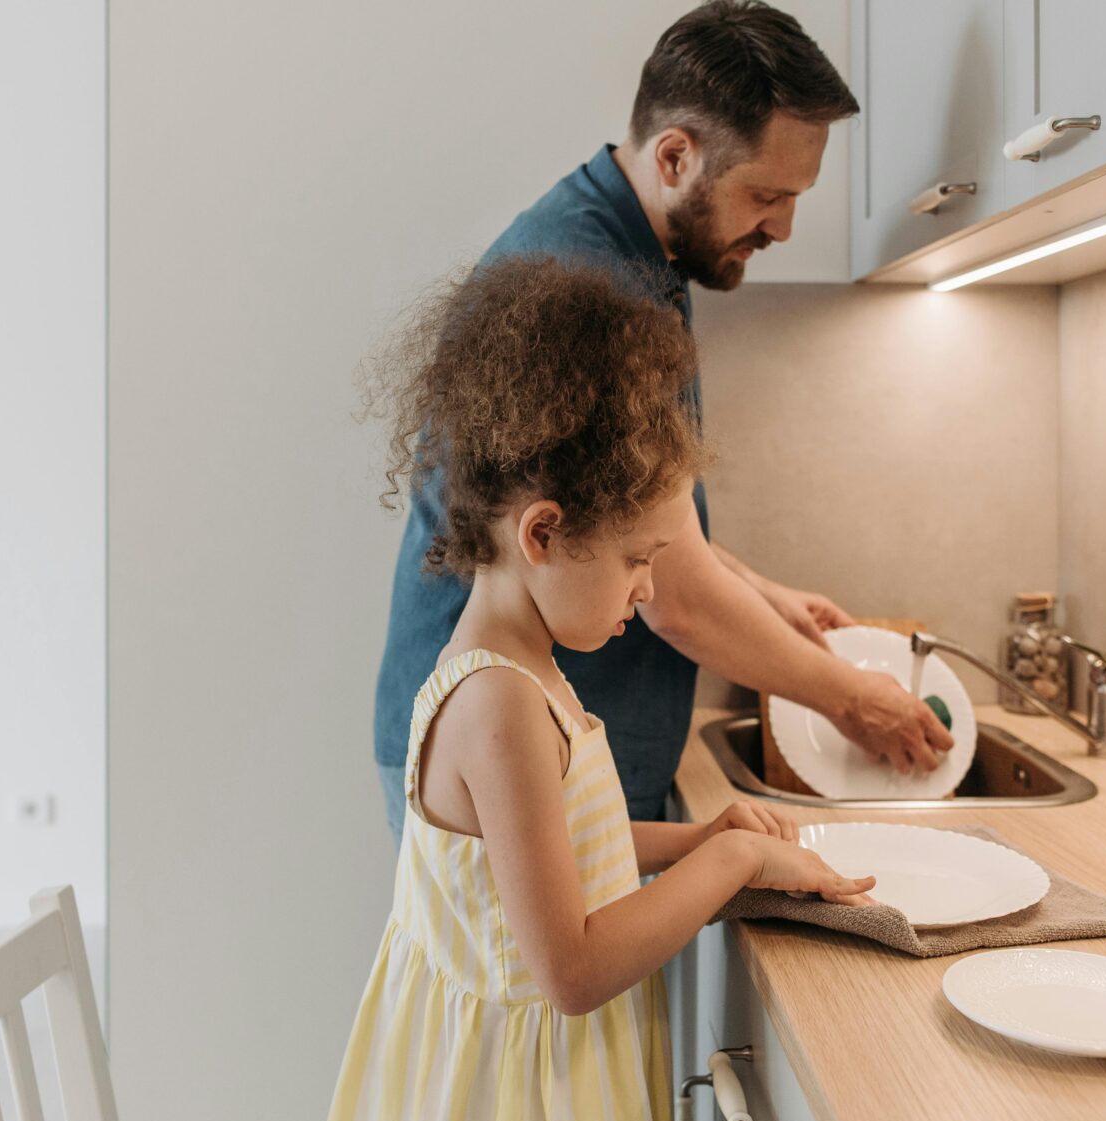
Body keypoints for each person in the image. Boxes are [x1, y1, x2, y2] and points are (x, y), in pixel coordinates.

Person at [301, 257, 876, 1121]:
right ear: (543, 533)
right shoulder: (502, 705)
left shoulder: (519, 666)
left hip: (540, 1090)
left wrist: (703, 834)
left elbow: (563, 854)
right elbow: (568, 967)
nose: (649, 589)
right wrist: (729, 872)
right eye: (638, 560)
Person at [373, 0, 952, 836]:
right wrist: (856, 701)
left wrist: (761, 591)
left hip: (532, 754)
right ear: (675, 155)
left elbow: (624, 509)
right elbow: (675, 600)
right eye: (765, 193)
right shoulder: (591, 283)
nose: (783, 226)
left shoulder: (635, 253)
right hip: (498, 763)